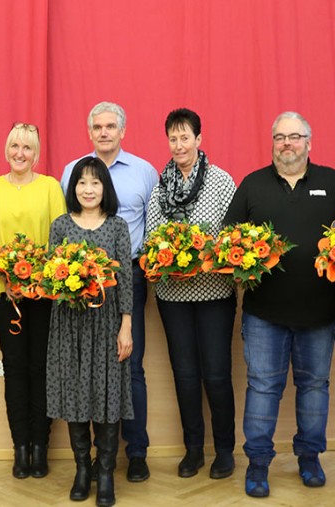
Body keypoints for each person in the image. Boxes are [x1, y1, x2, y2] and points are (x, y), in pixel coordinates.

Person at [224, 111, 335, 498]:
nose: (287, 144)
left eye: (295, 137)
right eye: (280, 137)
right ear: (272, 143)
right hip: (265, 314)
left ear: (309, 142)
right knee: (262, 387)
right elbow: (229, 241)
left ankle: (309, 457)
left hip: (319, 312)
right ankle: (258, 464)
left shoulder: (334, 183)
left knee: (314, 386)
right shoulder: (252, 185)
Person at [61, 101, 158, 482]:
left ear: (123, 130)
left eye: (110, 126)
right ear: (90, 132)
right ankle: (92, 464)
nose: (104, 132)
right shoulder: (72, 170)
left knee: (129, 367)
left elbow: (153, 224)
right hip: (78, 285)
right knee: (84, 369)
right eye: (97, 127)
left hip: (128, 275)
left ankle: (135, 453)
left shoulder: (144, 172)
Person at [144, 108, 237, 479]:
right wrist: (169, 256)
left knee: (216, 374)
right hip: (173, 297)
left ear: (199, 140)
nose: (179, 144)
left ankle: (225, 450)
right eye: (173, 138)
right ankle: (193, 449)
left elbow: (234, 235)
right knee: (184, 375)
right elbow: (152, 236)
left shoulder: (221, 181)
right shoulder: (161, 185)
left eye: (185, 137)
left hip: (215, 293)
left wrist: (205, 254)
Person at [0, 122, 66, 479]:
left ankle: (41, 446)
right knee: (14, 369)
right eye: (14, 145)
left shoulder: (50, 187)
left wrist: (37, 280)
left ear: (36, 153)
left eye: (27, 147)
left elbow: (59, 235)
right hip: (4, 295)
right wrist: (6, 278)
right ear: (6, 148)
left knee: (41, 368)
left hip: (43, 295)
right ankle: (21, 447)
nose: (20, 153)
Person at [47, 156, 134, 507]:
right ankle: (83, 468)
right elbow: (52, 277)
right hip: (69, 323)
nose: (88, 189)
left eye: (95, 182)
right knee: (75, 393)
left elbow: (126, 280)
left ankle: (106, 471)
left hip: (108, 322)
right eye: (82, 182)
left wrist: (126, 326)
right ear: (74, 187)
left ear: (105, 188)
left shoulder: (117, 227)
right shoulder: (60, 226)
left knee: (107, 393)